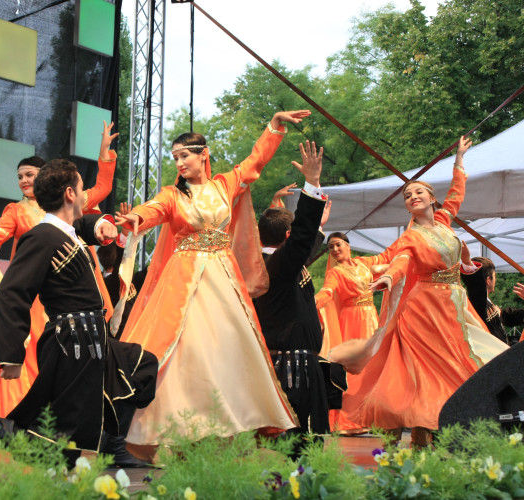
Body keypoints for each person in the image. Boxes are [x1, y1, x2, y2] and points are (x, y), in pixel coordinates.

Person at [115, 110, 310, 457]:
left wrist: (274, 126)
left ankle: (229, 429)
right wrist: (135, 217)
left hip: (222, 276)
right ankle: (178, 429)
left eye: (184, 156)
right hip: (183, 279)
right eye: (175, 158)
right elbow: (153, 209)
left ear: (203, 154)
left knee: (228, 347)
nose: (179, 163)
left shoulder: (224, 185)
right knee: (186, 350)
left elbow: (254, 163)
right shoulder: (173, 195)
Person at [0, 159, 156, 469]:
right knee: (59, 443)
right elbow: (11, 293)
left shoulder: (65, 232)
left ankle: (112, 446)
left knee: (142, 366)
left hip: (92, 340)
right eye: (81, 189)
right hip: (71, 343)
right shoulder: (41, 237)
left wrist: (101, 224)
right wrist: (10, 355)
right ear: (70, 194)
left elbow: (83, 226)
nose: (85, 196)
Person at [0, 121, 119, 424]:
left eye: (29, 175)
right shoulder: (16, 212)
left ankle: (72, 416)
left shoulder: (71, 200)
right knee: (34, 353)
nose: (23, 181)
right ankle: (22, 417)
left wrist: (105, 157)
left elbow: (103, 189)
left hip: (73, 293)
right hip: (39, 298)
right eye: (19, 176)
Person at [329, 136, 508, 446]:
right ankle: (418, 432)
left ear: (431, 198)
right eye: (407, 195)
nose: (412, 197)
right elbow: (400, 259)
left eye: (418, 192)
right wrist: (389, 277)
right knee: (426, 371)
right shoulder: (411, 237)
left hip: (453, 304)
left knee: (471, 359)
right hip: (425, 309)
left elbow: (457, 192)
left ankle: (431, 432)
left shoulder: (443, 221)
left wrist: (459, 159)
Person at [253, 141, 330, 436]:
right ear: (288, 236)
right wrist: (312, 184)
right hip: (292, 368)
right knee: (300, 445)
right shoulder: (278, 266)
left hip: (294, 362)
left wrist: (317, 228)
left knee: (297, 442)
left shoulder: (266, 264)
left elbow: (303, 249)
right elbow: (300, 242)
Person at [315, 232, 379, 433]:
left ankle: (370, 417)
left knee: (373, 368)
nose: (335, 250)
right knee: (353, 369)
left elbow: (385, 260)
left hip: (371, 318)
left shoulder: (362, 263)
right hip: (352, 321)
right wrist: (312, 304)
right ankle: (348, 421)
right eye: (331, 247)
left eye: (338, 245)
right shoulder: (335, 273)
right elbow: (328, 291)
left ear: (348, 245)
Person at [461, 256, 524, 345]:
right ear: (488, 280)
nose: (496, 279)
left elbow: (508, 317)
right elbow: (475, 286)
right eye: (494, 276)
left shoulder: (488, 304)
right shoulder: (478, 304)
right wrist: (467, 262)